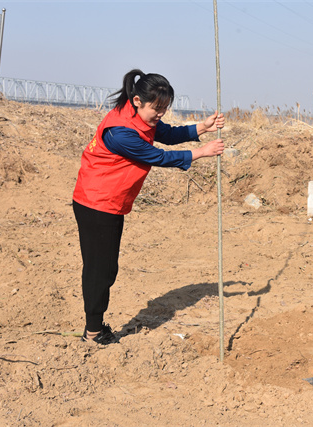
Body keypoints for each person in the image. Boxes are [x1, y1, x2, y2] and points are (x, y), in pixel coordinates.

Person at [72, 69, 225, 344]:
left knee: (107, 269)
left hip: (111, 203)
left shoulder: (139, 118)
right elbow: (158, 155)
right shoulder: (120, 132)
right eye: (157, 108)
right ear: (138, 100)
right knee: (98, 270)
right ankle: (93, 332)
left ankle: (94, 325)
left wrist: (202, 127)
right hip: (96, 203)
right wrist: (202, 152)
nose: (160, 114)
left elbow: (166, 133)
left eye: (165, 109)